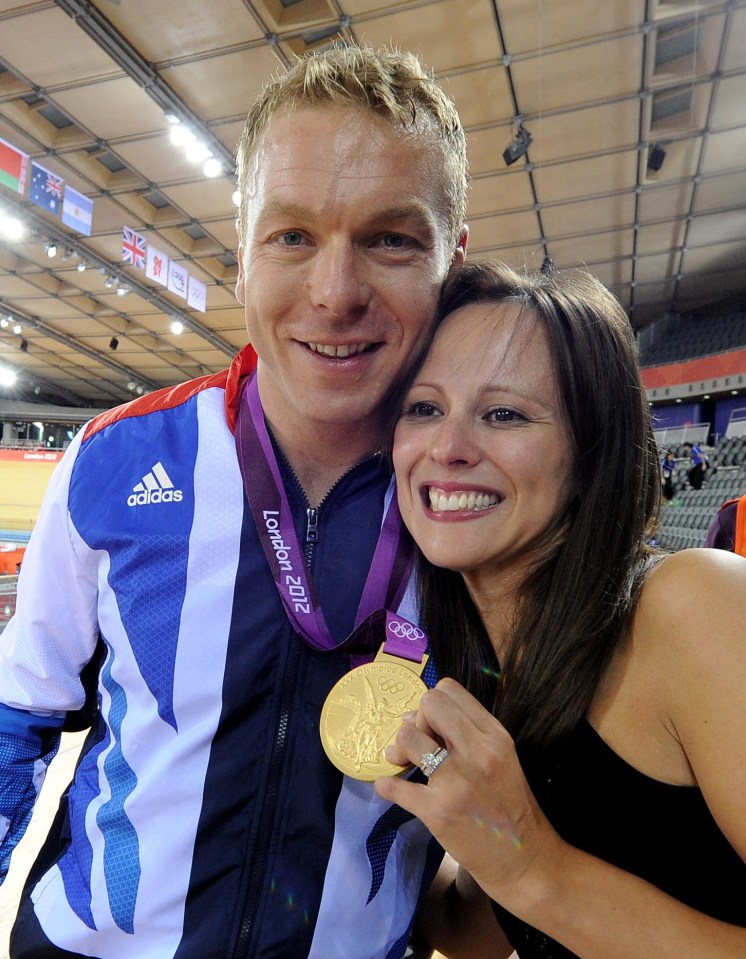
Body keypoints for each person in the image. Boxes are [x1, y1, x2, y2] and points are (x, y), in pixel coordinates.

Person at [0, 46, 469, 958]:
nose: (335, 294)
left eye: (391, 238)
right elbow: (15, 714)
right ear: (242, 253)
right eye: (292, 235)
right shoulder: (117, 461)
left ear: (455, 258)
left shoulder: (483, 504)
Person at [375, 261, 746, 959]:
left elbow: (533, 877)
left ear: (590, 450)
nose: (447, 448)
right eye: (423, 408)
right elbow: (475, 928)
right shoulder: (491, 671)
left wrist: (534, 866)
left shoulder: (692, 607)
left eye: (504, 413)